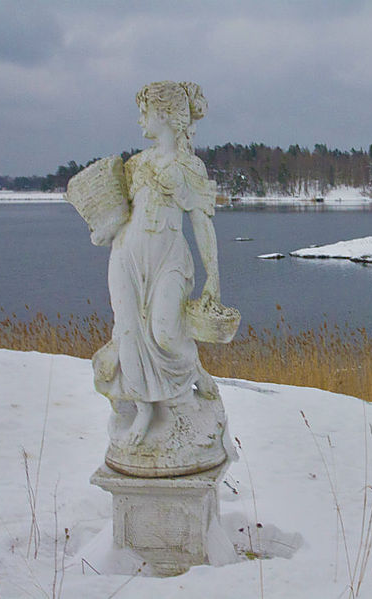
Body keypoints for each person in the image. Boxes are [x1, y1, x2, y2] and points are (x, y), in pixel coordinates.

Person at [92, 81, 224, 447]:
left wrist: (213, 274)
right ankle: (144, 406)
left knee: (166, 331)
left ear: (164, 115)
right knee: (129, 331)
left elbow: (202, 223)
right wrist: (101, 228)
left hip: (167, 257)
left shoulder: (189, 167)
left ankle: (195, 372)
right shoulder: (136, 165)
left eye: (144, 113)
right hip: (126, 256)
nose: (140, 121)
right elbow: (117, 216)